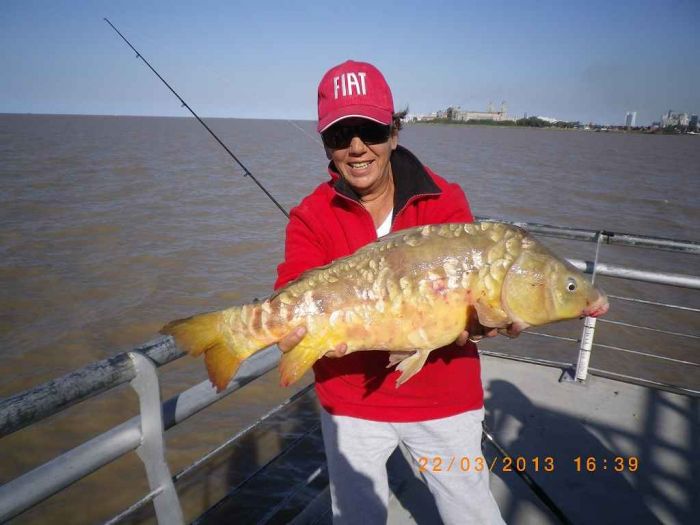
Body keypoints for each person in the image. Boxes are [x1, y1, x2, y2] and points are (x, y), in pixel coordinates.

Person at [274, 60, 505, 525]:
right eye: (342, 136)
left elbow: (476, 297)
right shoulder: (309, 216)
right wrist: (300, 332)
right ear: (326, 145)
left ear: (394, 133)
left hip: (444, 396)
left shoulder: (446, 200)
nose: (358, 148)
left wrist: (488, 320)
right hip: (350, 400)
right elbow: (289, 296)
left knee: (472, 514)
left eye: (370, 130)